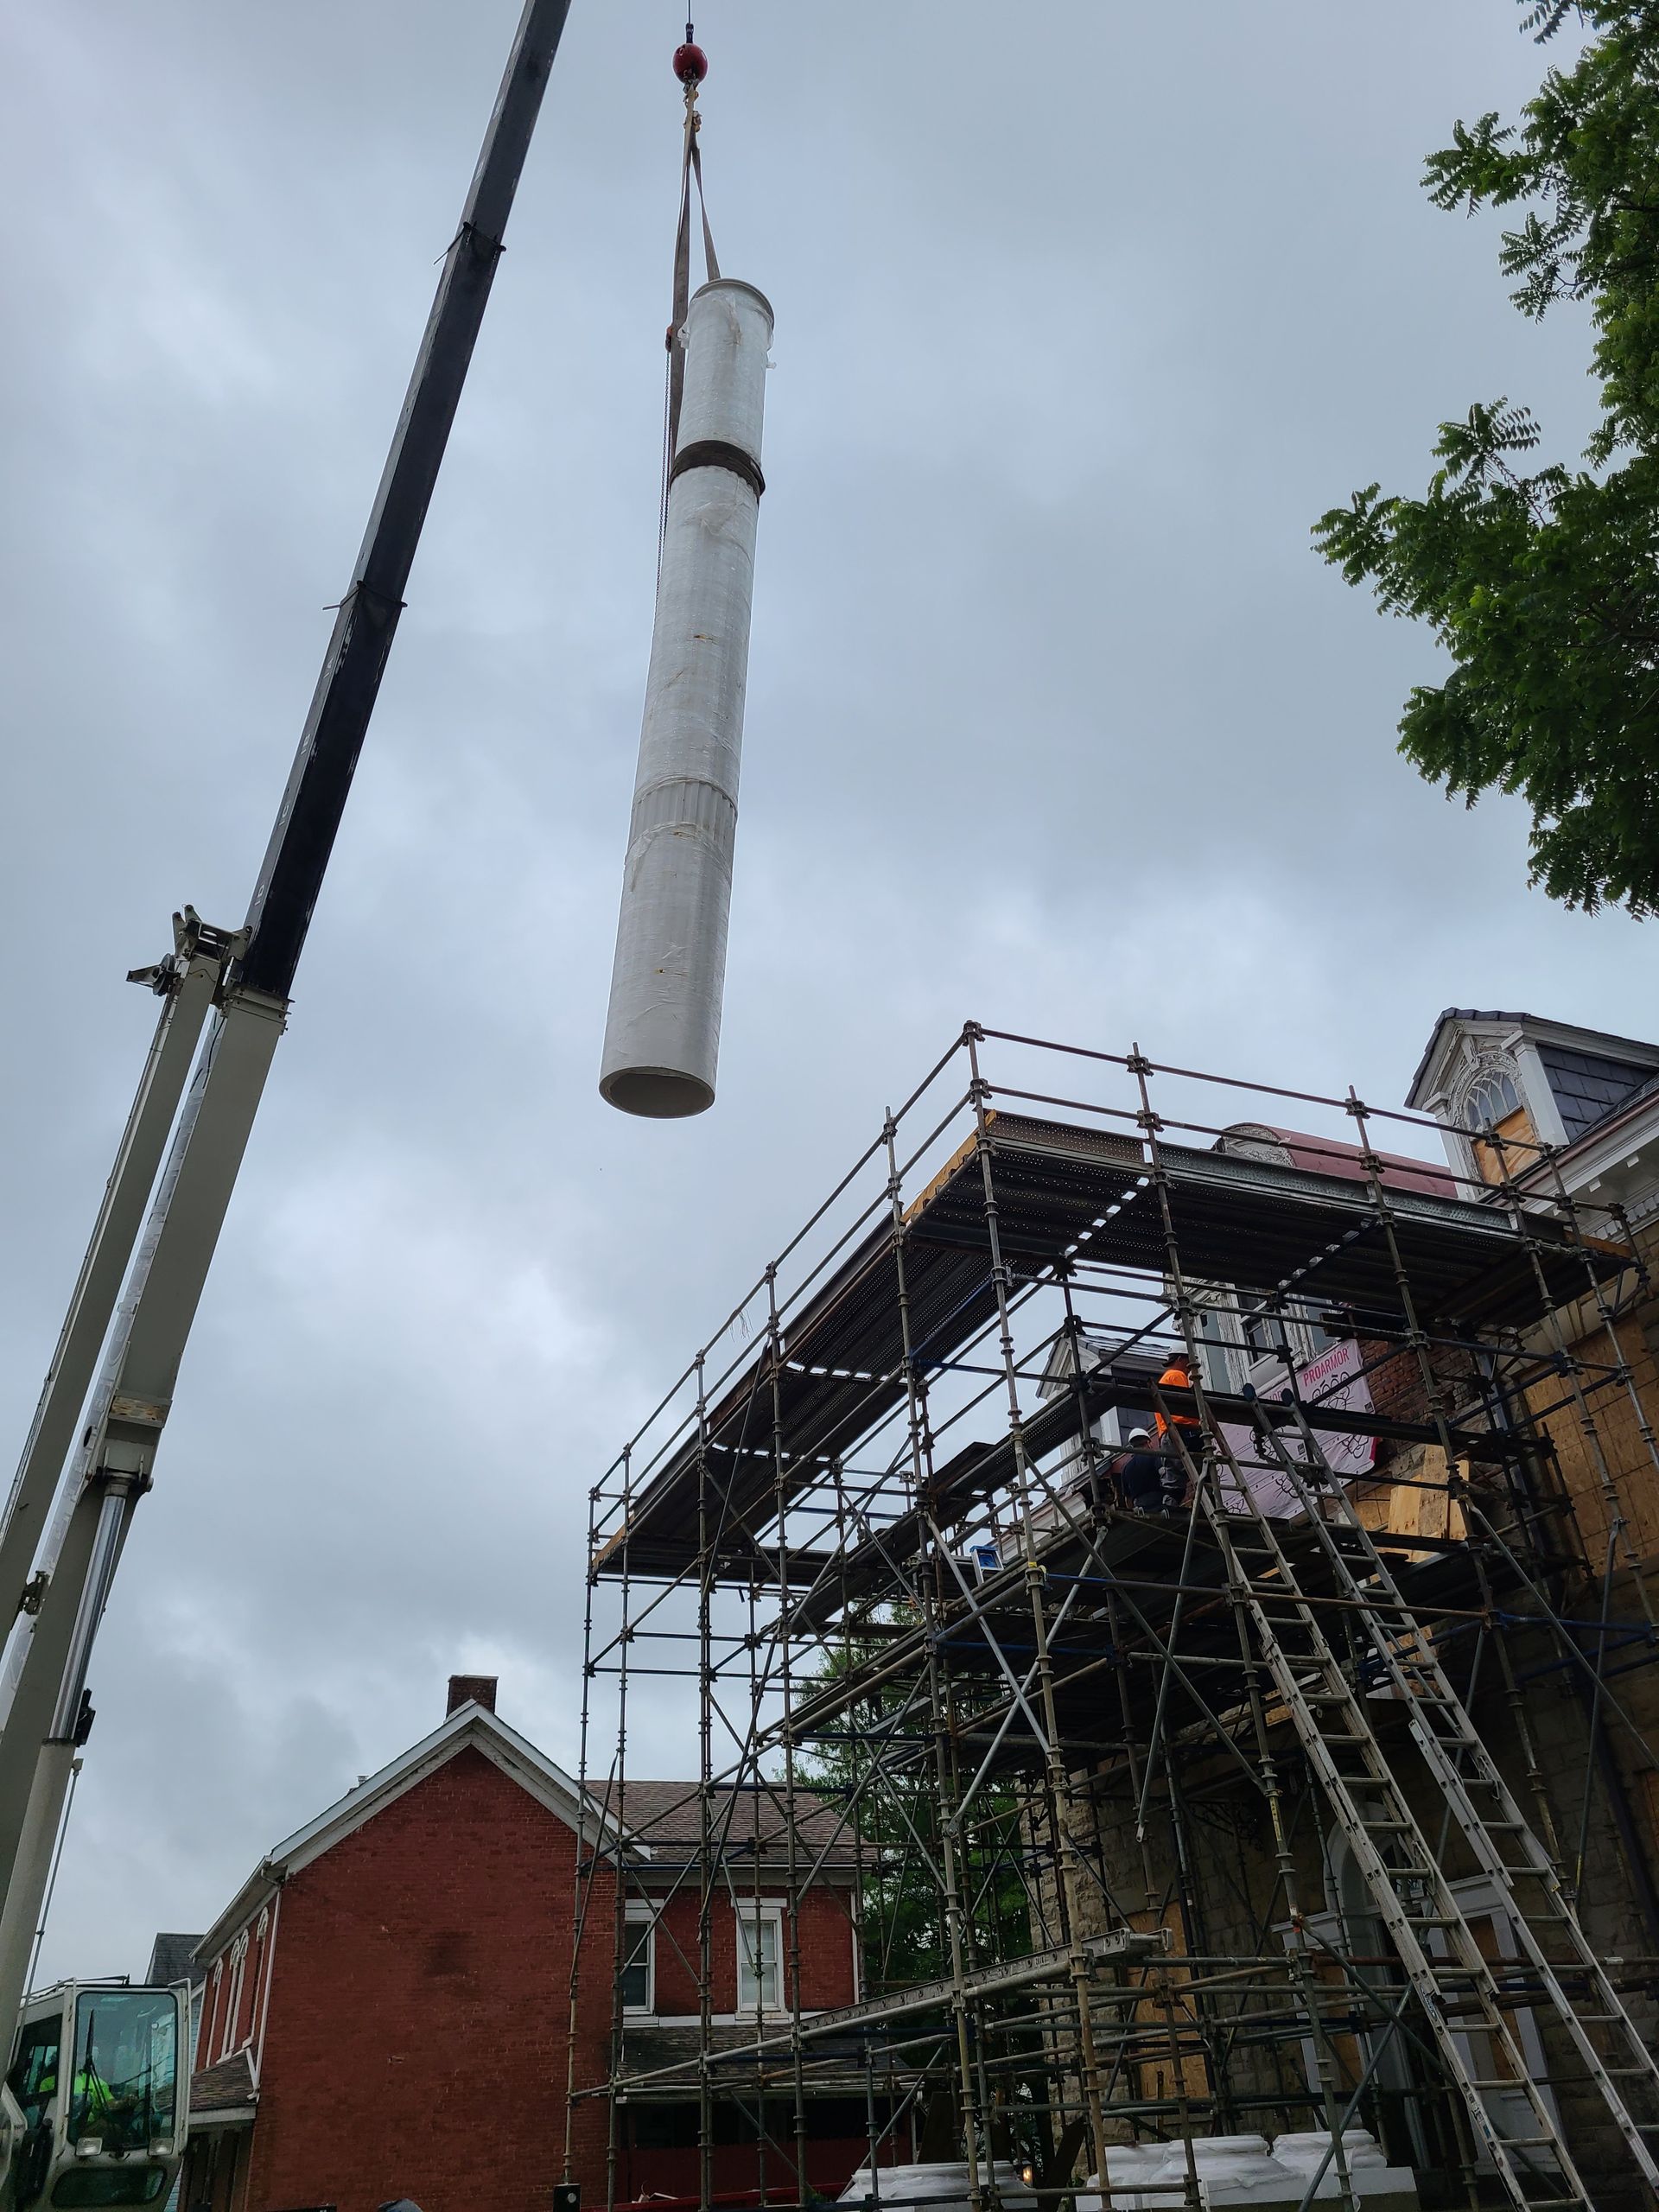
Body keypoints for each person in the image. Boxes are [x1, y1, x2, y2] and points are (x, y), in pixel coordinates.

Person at [1154, 1351, 1202, 1513]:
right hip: (1183, 1430)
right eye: (1188, 1362)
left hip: (1167, 1435)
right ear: (1180, 1359)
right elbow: (1185, 1404)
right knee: (1202, 1472)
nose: (1190, 1368)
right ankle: (1208, 1508)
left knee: (1174, 1480)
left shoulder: (1164, 1379)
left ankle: (1169, 1510)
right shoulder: (1177, 1375)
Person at [1112, 1427, 1164, 1513]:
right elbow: (1165, 1476)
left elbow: (1128, 1499)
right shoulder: (1155, 1457)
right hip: (1159, 1503)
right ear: (1148, 1443)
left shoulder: (1125, 1469)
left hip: (1140, 1508)